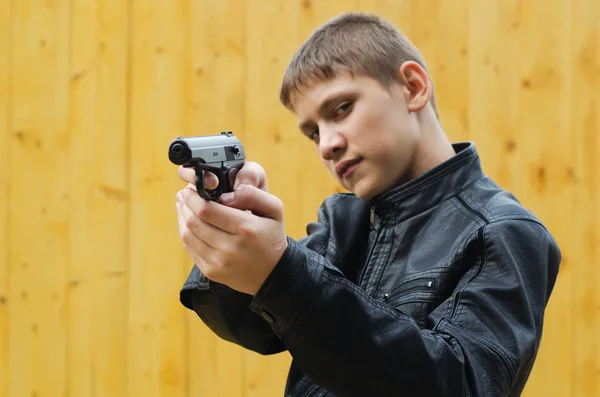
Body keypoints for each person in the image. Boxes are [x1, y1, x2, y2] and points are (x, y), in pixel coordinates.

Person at [174, 11, 561, 397]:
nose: (327, 144)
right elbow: (253, 329)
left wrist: (281, 272)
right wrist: (235, 230)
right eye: (313, 132)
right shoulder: (344, 220)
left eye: (340, 109)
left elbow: (459, 384)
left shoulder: (503, 232)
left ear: (412, 87)